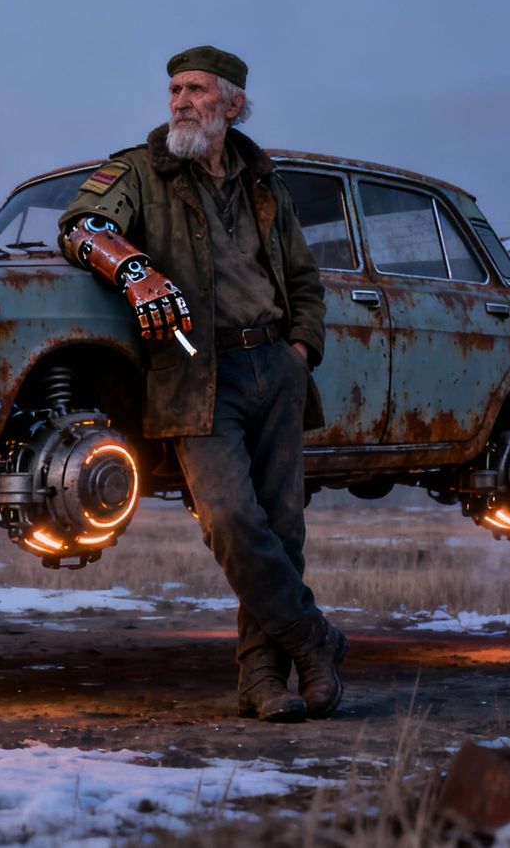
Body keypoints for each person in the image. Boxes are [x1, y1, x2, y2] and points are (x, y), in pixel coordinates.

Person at [56, 46, 344, 722]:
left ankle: (263, 682)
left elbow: (303, 278)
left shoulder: (263, 180)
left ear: (234, 103)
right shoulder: (138, 169)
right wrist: (133, 270)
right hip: (194, 368)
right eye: (175, 90)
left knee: (283, 528)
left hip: (275, 364)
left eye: (196, 90)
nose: (180, 101)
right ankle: (316, 640)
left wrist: (302, 346)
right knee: (230, 519)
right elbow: (81, 226)